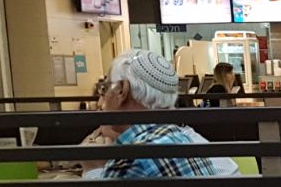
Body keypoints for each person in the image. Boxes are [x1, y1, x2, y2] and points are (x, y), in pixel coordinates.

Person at [82, 50, 237, 179]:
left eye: (105, 88)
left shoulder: (131, 161)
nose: (101, 100)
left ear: (122, 90)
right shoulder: (183, 140)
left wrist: (93, 169)